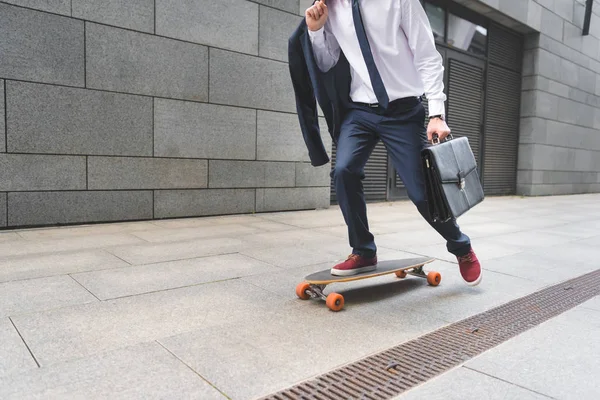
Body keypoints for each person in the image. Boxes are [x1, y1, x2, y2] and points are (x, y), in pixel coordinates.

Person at [292, 0, 481, 286]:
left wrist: (437, 113)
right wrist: (316, 31)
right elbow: (329, 61)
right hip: (360, 110)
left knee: (421, 193)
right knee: (344, 171)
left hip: (404, 111)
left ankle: (461, 246)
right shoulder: (329, 7)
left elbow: (427, 55)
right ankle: (364, 250)